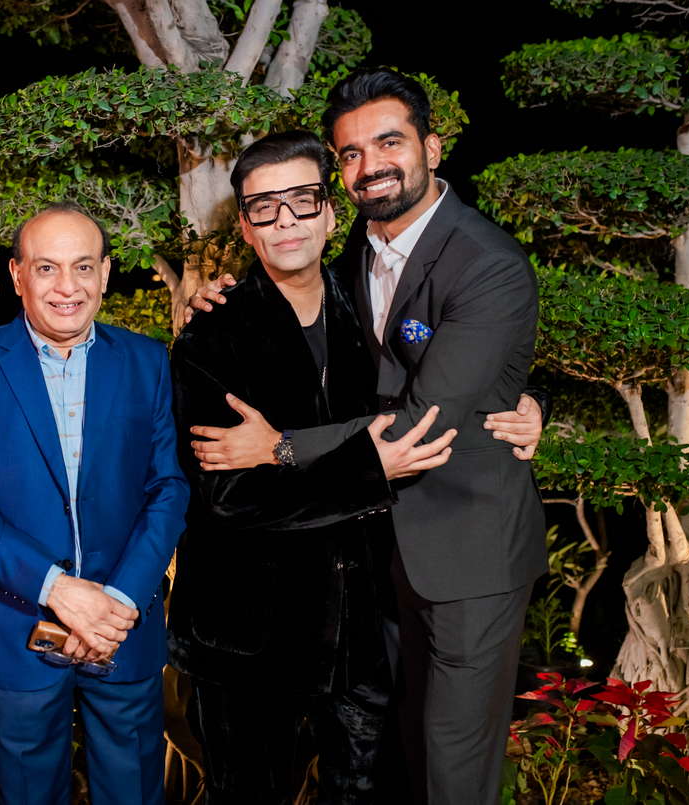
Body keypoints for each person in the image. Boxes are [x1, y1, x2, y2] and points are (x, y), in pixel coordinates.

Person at [187, 69, 548, 805]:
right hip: (367, 573)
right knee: (398, 762)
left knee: (450, 764)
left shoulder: (486, 261)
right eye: (351, 153)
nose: (371, 164)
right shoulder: (357, 250)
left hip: (465, 549)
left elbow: (421, 415)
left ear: (432, 148)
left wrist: (280, 446)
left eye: (389, 142)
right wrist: (216, 296)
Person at [169, 130, 464, 804]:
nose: (285, 221)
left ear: (331, 212)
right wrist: (368, 469)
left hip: (361, 631)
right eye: (263, 207)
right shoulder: (213, 334)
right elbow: (229, 494)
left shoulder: (374, 307)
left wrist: (533, 400)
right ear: (246, 228)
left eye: (302, 200)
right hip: (248, 637)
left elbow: (461, 372)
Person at [0, 203, 188, 805]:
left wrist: (120, 603)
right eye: (47, 267)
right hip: (13, 627)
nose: (67, 287)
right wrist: (58, 590)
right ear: (18, 274)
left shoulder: (147, 360)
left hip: (123, 631)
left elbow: (167, 488)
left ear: (105, 273)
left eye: (83, 266)